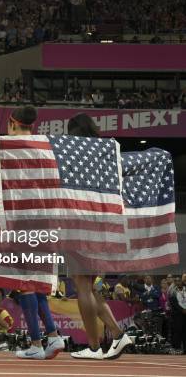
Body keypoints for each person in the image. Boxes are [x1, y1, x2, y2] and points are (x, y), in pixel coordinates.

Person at [66, 113, 131, 360]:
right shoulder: (108, 149)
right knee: (89, 285)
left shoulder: (74, 150)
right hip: (104, 220)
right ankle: (116, 332)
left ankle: (93, 347)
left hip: (80, 219)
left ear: (74, 132)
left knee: (80, 283)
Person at [6, 106, 65, 360]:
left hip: (23, 222)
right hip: (47, 222)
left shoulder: (7, 146)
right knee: (36, 284)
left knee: (25, 284)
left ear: (11, 123)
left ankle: (35, 343)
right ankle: (52, 337)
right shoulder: (47, 146)